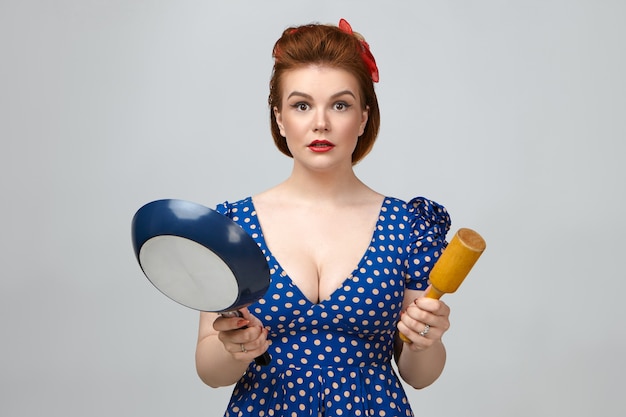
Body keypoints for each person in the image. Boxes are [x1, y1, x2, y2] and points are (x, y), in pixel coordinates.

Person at [195, 18, 452, 416]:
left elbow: (418, 375)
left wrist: (426, 341)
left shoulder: (408, 226)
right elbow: (209, 372)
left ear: (363, 117)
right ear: (279, 118)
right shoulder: (232, 227)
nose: (321, 123)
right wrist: (234, 350)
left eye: (340, 104)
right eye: (301, 105)